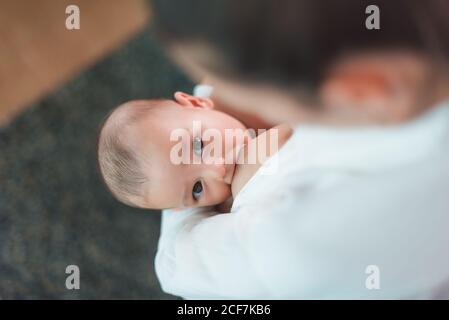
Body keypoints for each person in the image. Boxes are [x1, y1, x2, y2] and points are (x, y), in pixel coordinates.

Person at [152, 0, 449, 298]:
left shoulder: (292, 236)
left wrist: (191, 194)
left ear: (357, 93)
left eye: (250, 100)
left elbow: (180, 270)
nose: (218, 167)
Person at [97, 85, 291, 209]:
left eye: (199, 145)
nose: (218, 170)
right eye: (197, 189)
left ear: (196, 103)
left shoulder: (239, 89)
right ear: (182, 208)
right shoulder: (231, 206)